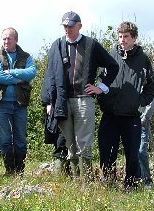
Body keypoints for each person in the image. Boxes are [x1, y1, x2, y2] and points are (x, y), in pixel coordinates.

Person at [42, 11, 119, 177]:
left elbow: (113, 66)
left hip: (84, 99)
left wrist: (101, 87)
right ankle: (77, 182)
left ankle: (86, 183)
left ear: (79, 26)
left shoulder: (91, 44)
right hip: (61, 101)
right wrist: (48, 102)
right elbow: (49, 74)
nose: (67, 29)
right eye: (65, 26)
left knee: (84, 142)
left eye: (70, 26)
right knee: (69, 143)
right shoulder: (57, 45)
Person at [97, 21, 154, 188]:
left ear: (134, 38)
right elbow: (101, 80)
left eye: (126, 37)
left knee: (132, 153)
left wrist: (140, 103)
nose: (122, 40)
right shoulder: (111, 55)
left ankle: (131, 185)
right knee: (106, 150)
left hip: (131, 115)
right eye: (120, 36)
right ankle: (108, 182)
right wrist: (103, 101)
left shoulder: (143, 59)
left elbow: (151, 86)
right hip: (110, 113)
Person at [0, 28, 37, 175]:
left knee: (20, 138)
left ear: (16, 40)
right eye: (3, 38)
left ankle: (20, 171)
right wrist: (19, 79)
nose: (6, 41)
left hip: (20, 103)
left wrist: (11, 72)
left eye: (9, 38)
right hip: (1, 103)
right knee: (5, 138)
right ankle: (9, 171)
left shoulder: (26, 56)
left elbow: (32, 73)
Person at [139, 94, 154, 187]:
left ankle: (147, 181)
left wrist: (145, 117)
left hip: (142, 121)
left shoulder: (147, 81)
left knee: (141, 151)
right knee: (132, 152)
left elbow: (152, 101)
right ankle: (136, 179)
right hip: (128, 118)